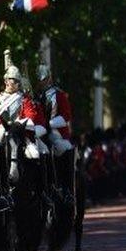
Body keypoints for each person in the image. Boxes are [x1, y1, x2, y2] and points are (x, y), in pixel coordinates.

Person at [0, 51, 48, 209]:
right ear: (4, 80)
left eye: (15, 80)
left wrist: (17, 125)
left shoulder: (24, 99)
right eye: (9, 79)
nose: (12, 82)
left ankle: (42, 191)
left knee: (37, 154)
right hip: (1, 134)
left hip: (20, 135)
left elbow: (31, 117)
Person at [36, 55, 75, 204]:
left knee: (62, 149)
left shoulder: (59, 94)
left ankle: (66, 189)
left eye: (44, 79)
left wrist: (50, 124)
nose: (41, 82)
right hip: (39, 132)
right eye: (39, 79)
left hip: (55, 132)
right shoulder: (34, 95)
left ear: (49, 78)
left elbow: (66, 116)